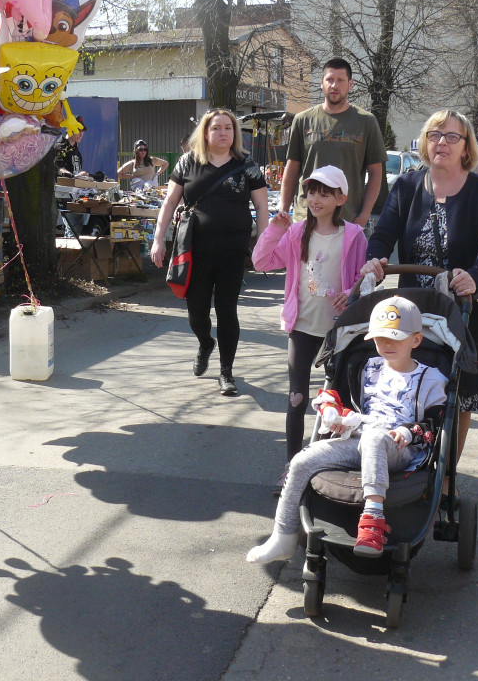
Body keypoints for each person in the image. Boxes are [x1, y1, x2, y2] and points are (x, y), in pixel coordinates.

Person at [246, 295, 447, 562]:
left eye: (395, 338)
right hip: (360, 439)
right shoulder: (366, 367)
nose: (386, 344)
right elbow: (338, 398)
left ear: (416, 340)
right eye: (379, 338)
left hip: (402, 449)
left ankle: (373, 520)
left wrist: (409, 432)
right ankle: (283, 535)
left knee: (376, 437)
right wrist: (335, 414)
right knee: (302, 460)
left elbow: (434, 423)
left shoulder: (431, 378)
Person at [360, 109, 478, 477]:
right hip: (413, 308)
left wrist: (473, 276)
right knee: (408, 384)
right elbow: (383, 234)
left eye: (452, 136)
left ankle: (442, 476)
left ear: (465, 146)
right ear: (425, 141)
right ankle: (398, 458)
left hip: (462, 308)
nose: (442, 142)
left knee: (458, 398)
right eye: (435, 134)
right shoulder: (407, 185)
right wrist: (374, 260)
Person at [251, 165, 368, 486]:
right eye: (312, 192)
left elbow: (365, 281)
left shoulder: (354, 236)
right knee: (296, 399)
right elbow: (261, 261)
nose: (316, 199)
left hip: (338, 333)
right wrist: (274, 229)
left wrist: (350, 293)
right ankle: (292, 468)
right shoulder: (297, 232)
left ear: (341, 198)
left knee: (335, 403)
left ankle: (328, 466)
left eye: (325, 193)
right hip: (301, 328)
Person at [150, 109, 269, 396]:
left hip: (233, 250)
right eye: (216, 128)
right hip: (195, 250)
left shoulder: (247, 164)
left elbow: (262, 208)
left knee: (227, 310)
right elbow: (169, 204)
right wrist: (158, 239)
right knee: (197, 313)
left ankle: (226, 373)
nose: (223, 133)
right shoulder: (188, 162)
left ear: (234, 133)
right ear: (206, 132)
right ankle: (205, 342)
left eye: (228, 128)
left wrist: (263, 247)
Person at [279, 58, 387, 230]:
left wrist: (364, 215)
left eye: (341, 80)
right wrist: (283, 210)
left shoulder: (366, 122)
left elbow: (376, 173)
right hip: (306, 220)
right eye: (330, 79)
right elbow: (292, 167)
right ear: (322, 82)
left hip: (348, 221)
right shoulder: (303, 120)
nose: (334, 85)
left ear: (350, 84)